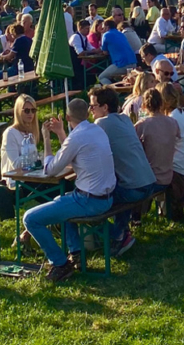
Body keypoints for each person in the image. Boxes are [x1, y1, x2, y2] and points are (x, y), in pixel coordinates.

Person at [22, 98, 116, 282]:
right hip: (107, 197)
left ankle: (60, 263)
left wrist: (47, 139)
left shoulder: (76, 138)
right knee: (61, 200)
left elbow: (50, 170)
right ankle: (76, 252)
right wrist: (61, 133)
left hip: (90, 201)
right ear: (87, 114)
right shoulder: (97, 130)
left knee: (30, 218)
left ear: (67, 117)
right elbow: (74, 155)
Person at [90, 86, 159, 254]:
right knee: (116, 186)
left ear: (105, 107)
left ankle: (117, 235)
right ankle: (122, 232)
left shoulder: (101, 124)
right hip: (149, 182)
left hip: (134, 189)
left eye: (93, 106)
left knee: (92, 200)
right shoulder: (125, 119)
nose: (90, 110)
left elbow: (89, 153)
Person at [135, 87, 179, 198]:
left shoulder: (142, 125)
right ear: (161, 103)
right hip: (168, 175)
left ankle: (139, 208)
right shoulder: (173, 122)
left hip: (151, 180)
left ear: (144, 106)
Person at [161, 82, 184, 219]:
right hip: (183, 164)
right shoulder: (179, 113)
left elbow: (163, 145)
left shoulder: (172, 119)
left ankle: (138, 214)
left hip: (175, 168)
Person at [1, 95, 41, 187]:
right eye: (26, 111)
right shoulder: (10, 133)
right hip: (14, 182)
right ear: (18, 112)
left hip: (31, 176)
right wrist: (34, 157)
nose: (30, 114)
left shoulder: (31, 132)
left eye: (33, 110)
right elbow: (16, 165)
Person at [98, 18, 137, 84]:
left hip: (121, 63)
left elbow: (105, 52)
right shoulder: (121, 34)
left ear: (107, 27)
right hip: (133, 62)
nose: (102, 29)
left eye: (103, 27)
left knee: (102, 77)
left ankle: (111, 90)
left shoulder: (106, 35)